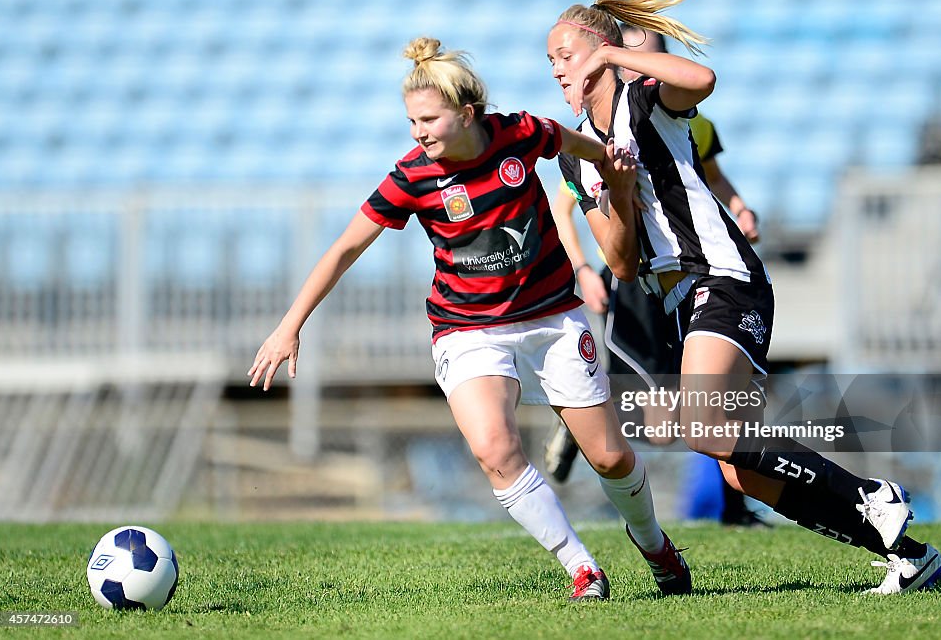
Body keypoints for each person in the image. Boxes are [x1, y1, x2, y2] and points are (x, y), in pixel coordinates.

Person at [544, 0, 941, 594]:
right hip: (679, 297)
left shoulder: (644, 98)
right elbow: (619, 262)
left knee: (703, 428)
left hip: (724, 278)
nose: (558, 69)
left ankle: (871, 493)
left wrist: (624, 57)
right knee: (742, 472)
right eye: (552, 61)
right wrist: (617, 192)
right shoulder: (576, 154)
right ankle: (911, 556)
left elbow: (701, 78)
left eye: (565, 54)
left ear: (600, 51)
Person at [248, 37, 692, 601]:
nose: (418, 132)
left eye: (429, 119)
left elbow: (585, 148)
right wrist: (291, 325)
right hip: (467, 329)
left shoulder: (521, 134)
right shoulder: (412, 176)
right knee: (494, 450)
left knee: (609, 456)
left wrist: (614, 174)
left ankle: (655, 546)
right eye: (412, 122)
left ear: (466, 113)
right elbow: (343, 249)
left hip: (553, 316)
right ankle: (581, 567)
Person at [544, 24, 766, 528]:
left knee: (695, 415)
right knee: (666, 422)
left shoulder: (679, 113)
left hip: (696, 275)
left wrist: (739, 207)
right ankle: (583, 417)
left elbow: (709, 173)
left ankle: (741, 509)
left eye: (647, 55)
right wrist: (584, 268)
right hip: (640, 281)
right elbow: (571, 210)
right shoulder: (588, 144)